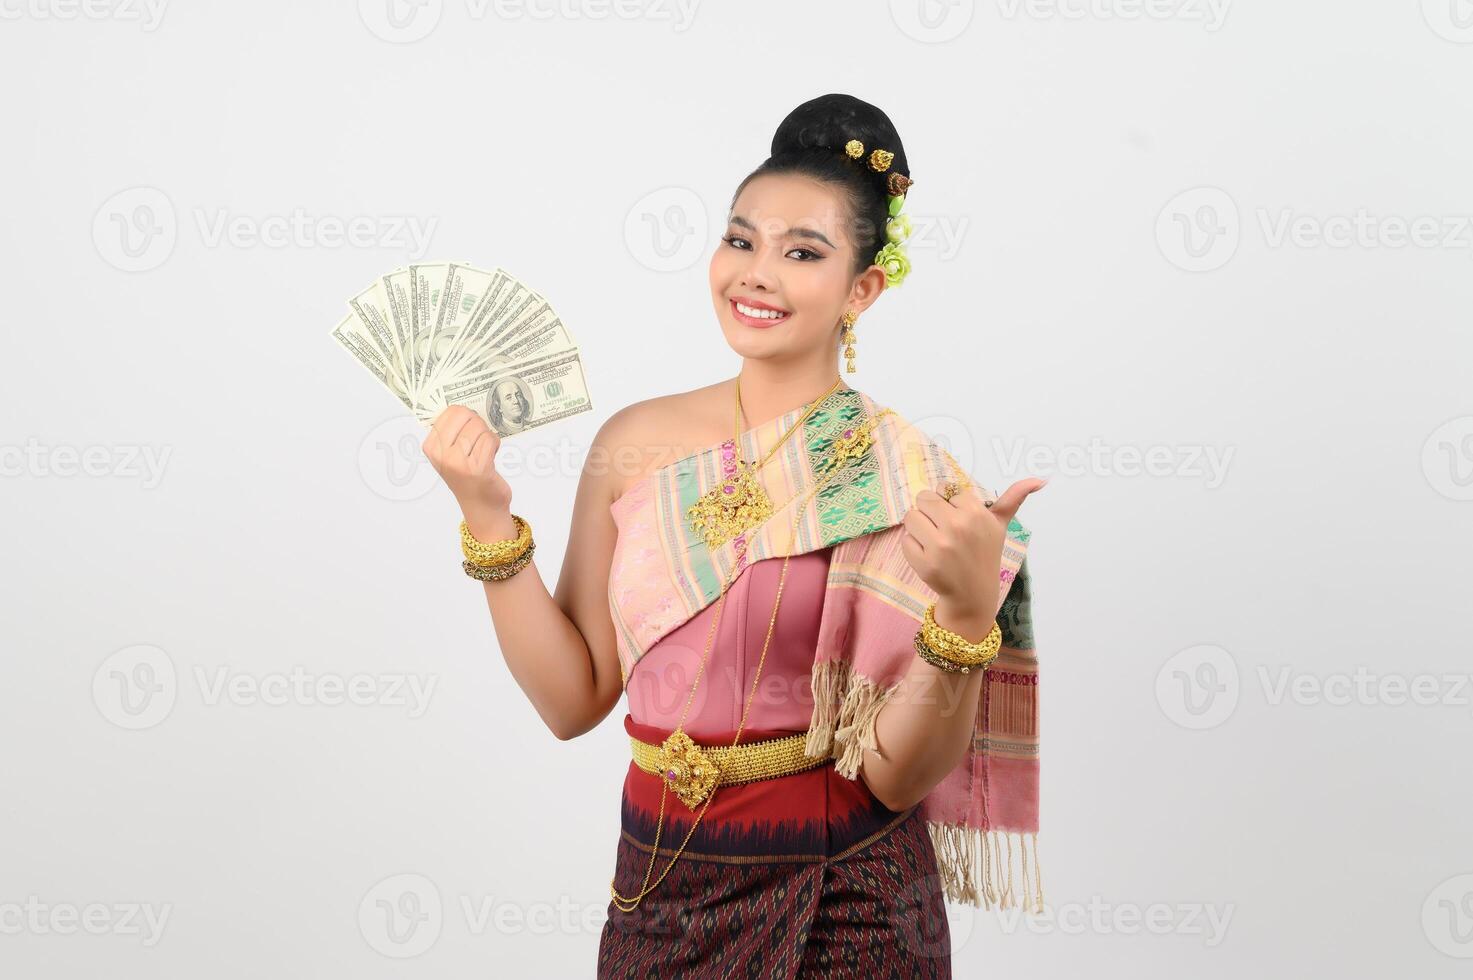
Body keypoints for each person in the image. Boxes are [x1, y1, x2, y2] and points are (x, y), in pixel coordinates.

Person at [421, 93, 1045, 978]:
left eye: (802, 253)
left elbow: (897, 780)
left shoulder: (900, 477)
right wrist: (485, 515)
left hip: (845, 899)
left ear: (861, 289)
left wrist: (968, 615)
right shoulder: (634, 444)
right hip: (657, 882)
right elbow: (573, 699)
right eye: (740, 239)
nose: (756, 272)